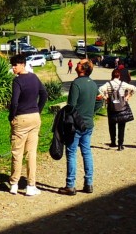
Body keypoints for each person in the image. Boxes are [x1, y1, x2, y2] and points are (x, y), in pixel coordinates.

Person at [8, 53, 48, 196]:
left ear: (23, 64)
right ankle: (31, 185)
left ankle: (14, 183)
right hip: (34, 117)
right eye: (12, 65)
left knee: (17, 152)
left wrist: (11, 116)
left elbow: (14, 101)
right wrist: (39, 109)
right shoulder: (34, 78)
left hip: (21, 118)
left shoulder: (17, 81)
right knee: (31, 153)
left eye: (15, 65)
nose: (13, 68)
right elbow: (44, 95)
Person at [60, 59, 98, 195]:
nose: (76, 64)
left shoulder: (76, 83)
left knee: (71, 153)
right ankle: (89, 183)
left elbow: (71, 105)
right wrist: (90, 112)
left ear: (83, 69)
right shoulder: (93, 84)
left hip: (76, 125)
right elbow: (99, 100)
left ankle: (70, 185)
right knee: (86, 152)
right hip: (88, 124)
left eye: (79, 64)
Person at [98, 68, 136, 150]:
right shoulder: (123, 84)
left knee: (112, 125)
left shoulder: (108, 84)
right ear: (119, 76)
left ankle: (113, 142)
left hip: (112, 107)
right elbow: (134, 88)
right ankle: (120, 144)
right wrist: (127, 97)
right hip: (122, 107)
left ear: (112, 76)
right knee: (121, 126)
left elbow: (100, 89)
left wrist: (106, 97)